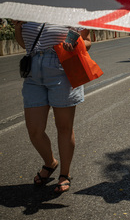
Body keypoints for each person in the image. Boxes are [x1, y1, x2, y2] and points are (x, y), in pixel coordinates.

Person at [14, 21, 91, 193]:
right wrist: (18, 28)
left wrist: (75, 45)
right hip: (33, 73)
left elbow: (87, 41)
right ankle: (50, 162)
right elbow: (25, 44)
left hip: (62, 70)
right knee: (34, 129)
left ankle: (65, 174)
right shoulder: (27, 9)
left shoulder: (70, 10)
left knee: (64, 127)